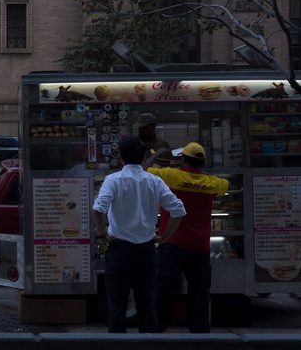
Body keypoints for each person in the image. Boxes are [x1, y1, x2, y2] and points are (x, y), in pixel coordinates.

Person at [93, 135, 186, 333]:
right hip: (146, 252)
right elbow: (178, 210)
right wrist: (164, 237)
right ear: (144, 156)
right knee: (147, 308)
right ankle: (148, 344)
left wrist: (101, 237)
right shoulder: (155, 181)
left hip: (119, 252)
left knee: (117, 309)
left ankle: (118, 345)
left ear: (121, 158)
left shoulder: (113, 180)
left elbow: (98, 209)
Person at [148, 141, 228, 333]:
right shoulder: (212, 183)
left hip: (172, 243)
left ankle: (157, 328)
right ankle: (199, 332)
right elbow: (226, 185)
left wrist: (157, 155)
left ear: (183, 159)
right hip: (200, 247)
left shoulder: (173, 176)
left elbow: (144, 170)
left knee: (162, 288)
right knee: (199, 291)